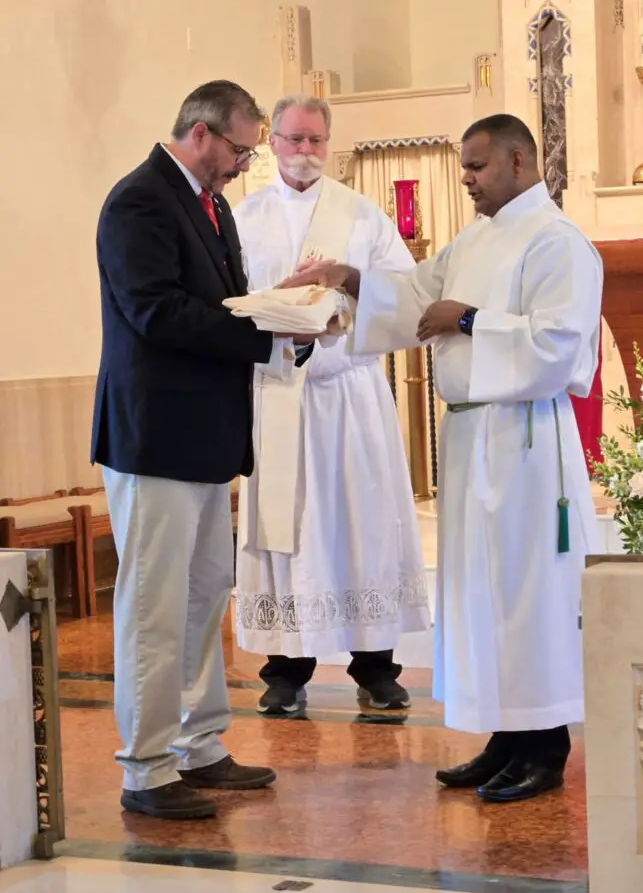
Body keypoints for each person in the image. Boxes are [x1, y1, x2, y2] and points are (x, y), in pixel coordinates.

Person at [280, 114, 602, 802]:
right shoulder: (477, 238)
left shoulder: (558, 243)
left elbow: (562, 345)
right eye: (464, 166)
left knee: (526, 595)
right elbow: (418, 293)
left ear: (520, 161)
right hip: (471, 442)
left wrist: (470, 320)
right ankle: (503, 736)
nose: (467, 179)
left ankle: (544, 746)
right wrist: (348, 278)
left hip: (524, 442)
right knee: (481, 595)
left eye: (478, 166)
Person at [92, 80, 313, 820]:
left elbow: (229, 306)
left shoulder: (209, 207)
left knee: (200, 596)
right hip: (154, 436)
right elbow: (156, 311)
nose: (244, 164)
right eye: (240, 149)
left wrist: (289, 321)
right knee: (154, 607)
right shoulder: (140, 201)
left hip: (204, 438)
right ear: (199, 132)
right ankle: (146, 767)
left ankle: (200, 743)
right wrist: (265, 330)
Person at [232, 94, 430, 715]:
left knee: (362, 522)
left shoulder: (362, 215)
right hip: (280, 390)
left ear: (330, 143)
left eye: (316, 140)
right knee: (285, 531)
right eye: (293, 140)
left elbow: (406, 297)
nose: (305, 152)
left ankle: (376, 668)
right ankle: (285, 671)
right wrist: (279, 313)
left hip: (348, 393)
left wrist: (344, 290)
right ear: (272, 144)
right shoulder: (244, 218)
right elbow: (228, 298)